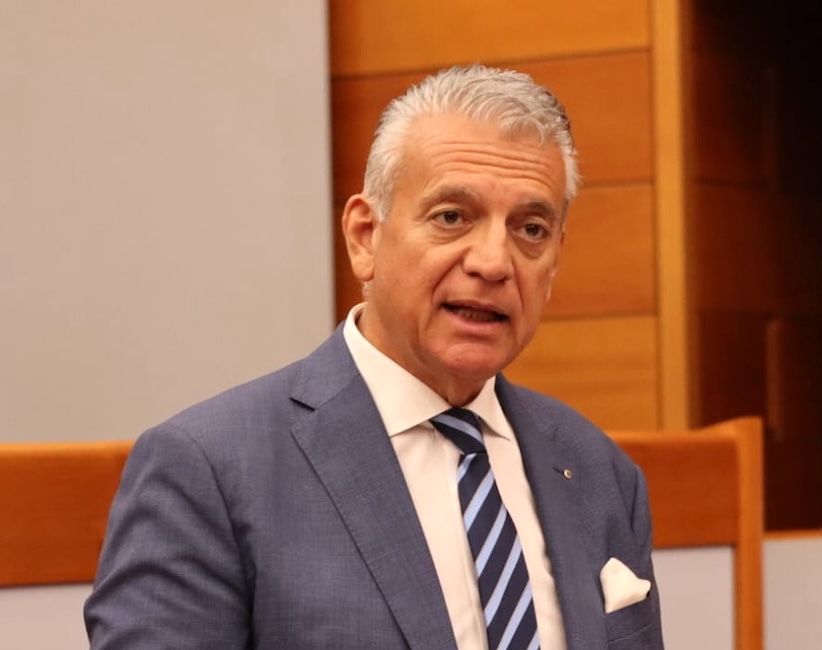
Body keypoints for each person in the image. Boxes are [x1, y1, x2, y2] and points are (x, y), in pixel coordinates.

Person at [85, 64, 663, 649]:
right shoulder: (209, 470)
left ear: (555, 258)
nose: (493, 262)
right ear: (365, 236)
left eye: (531, 229)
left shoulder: (598, 471)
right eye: (452, 217)